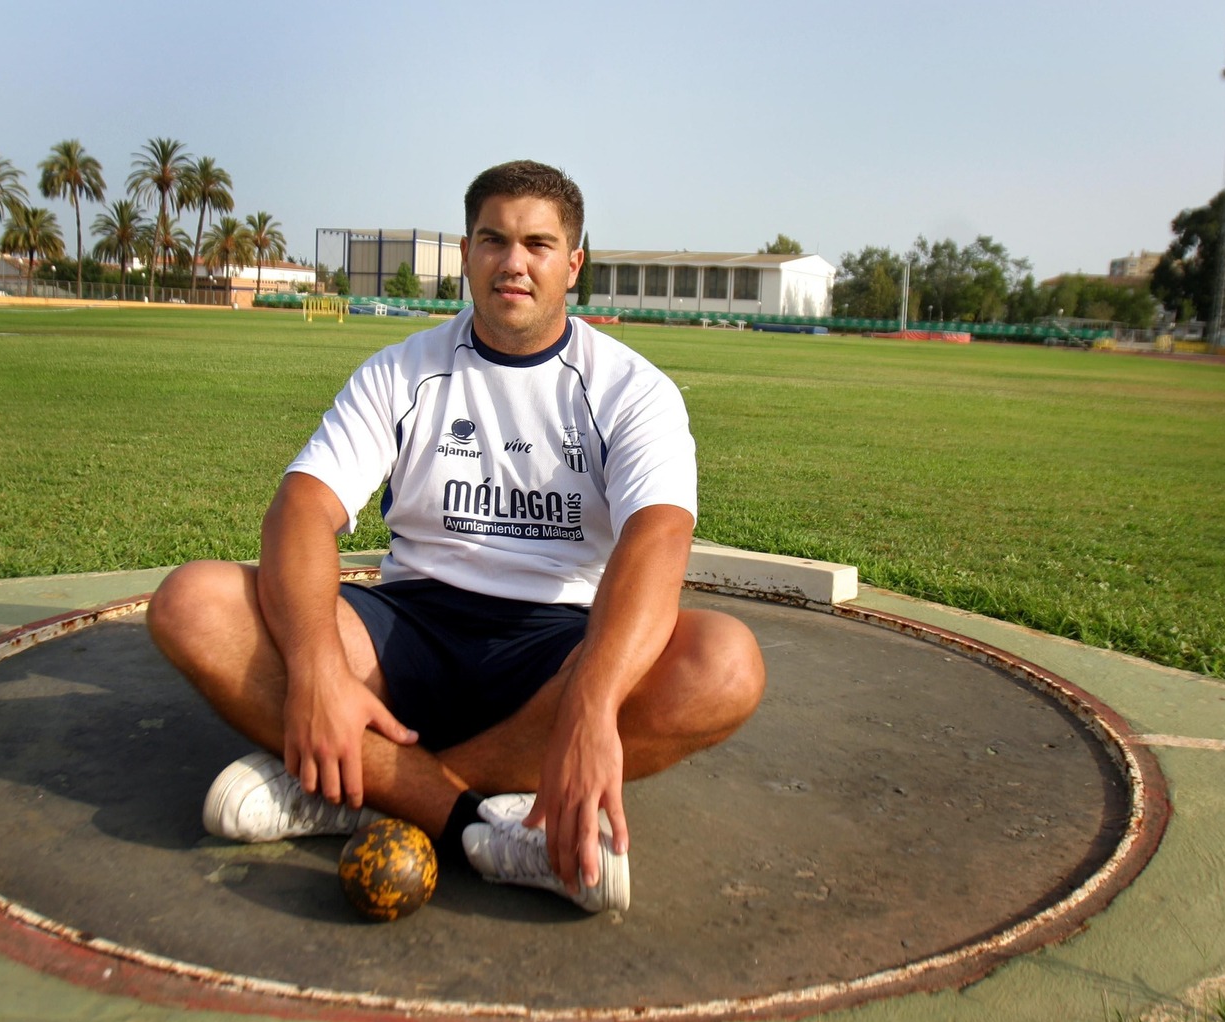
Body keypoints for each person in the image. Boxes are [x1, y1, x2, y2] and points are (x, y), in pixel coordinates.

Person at [148, 160, 765, 913]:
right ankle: (478, 822)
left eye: (538, 243)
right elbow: (302, 509)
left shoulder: (631, 389)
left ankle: (357, 786)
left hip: (555, 649)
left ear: (573, 264)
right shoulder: (401, 371)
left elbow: (659, 536)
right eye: (493, 239)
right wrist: (315, 670)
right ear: (467, 253)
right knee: (193, 601)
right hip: (406, 628)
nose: (514, 261)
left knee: (726, 663)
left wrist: (595, 700)